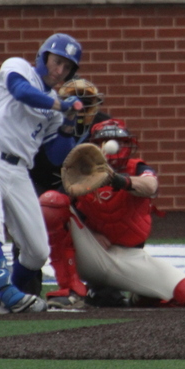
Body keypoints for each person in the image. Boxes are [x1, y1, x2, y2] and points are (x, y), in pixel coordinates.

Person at [0, 32, 85, 314]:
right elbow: (22, 92)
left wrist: (69, 124)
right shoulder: (17, 67)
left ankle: (9, 298)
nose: (60, 71)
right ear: (43, 57)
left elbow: (56, 155)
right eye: (57, 62)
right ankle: (6, 292)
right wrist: (61, 105)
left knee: (37, 250)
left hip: (19, 171)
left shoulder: (56, 105)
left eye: (67, 68)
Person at [41, 118, 185, 308]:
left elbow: (150, 186)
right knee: (51, 202)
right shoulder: (82, 173)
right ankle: (69, 289)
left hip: (130, 257)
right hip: (93, 251)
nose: (115, 147)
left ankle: (142, 295)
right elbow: (55, 211)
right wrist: (91, 233)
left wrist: (119, 181)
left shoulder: (137, 168)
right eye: (106, 141)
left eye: (120, 142)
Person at [25, 77, 126, 309]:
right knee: (30, 220)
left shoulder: (104, 126)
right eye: (74, 101)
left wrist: (89, 225)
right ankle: (26, 288)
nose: (80, 107)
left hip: (85, 193)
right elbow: (30, 171)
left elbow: (108, 177)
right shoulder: (44, 123)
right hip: (43, 185)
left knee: (113, 210)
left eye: (86, 102)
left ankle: (105, 287)